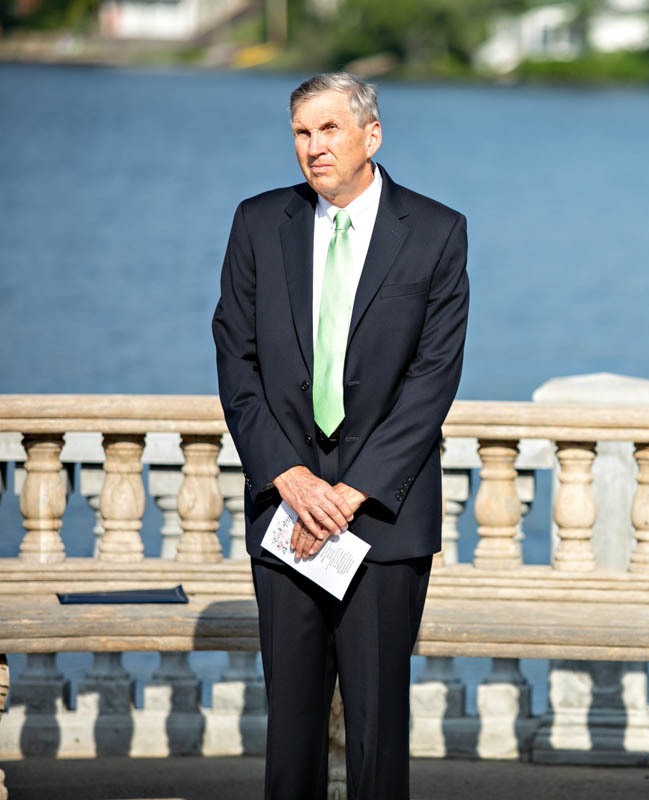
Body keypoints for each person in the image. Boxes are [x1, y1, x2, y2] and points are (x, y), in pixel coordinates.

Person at [212, 72, 468, 800]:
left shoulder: (439, 231)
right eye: (301, 132)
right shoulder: (259, 223)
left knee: (378, 734)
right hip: (283, 512)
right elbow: (237, 359)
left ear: (370, 135)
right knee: (289, 733)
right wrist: (288, 476)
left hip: (383, 519)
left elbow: (432, 380)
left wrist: (349, 493)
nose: (314, 148)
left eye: (329, 129)